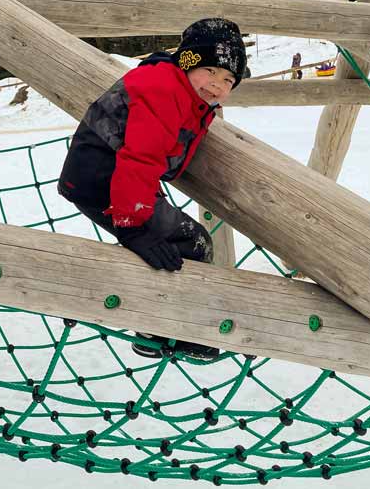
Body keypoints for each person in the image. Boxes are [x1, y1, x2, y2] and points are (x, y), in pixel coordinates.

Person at [57, 18, 247, 360]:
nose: (217, 85)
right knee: (192, 242)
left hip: (115, 180)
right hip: (103, 181)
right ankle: (159, 328)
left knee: (185, 241)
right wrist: (133, 229)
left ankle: (165, 325)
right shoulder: (164, 90)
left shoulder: (183, 91)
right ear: (188, 62)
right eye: (210, 71)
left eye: (229, 79)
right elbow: (140, 160)